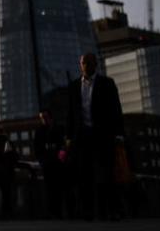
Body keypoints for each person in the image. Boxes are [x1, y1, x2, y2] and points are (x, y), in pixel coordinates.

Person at [66, 53, 123, 221]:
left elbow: (116, 109)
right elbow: (70, 113)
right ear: (80, 65)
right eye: (83, 62)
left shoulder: (107, 83)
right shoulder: (74, 86)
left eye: (89, 62)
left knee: (106, 175)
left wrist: (118, 134)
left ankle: (111, 211)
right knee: (84, 176)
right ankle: (87, 212)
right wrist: (69, 137)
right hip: (82, 138)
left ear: (95, 64)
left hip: (102, 136)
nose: (85, 65)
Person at [32, 109, 67, 219]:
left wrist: (61, 158)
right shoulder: (40, 131)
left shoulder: (57, 129)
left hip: (56, 163)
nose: (43, 119)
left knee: (58, 188)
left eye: (45, 117)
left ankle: (58, 211)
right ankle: (53, 212)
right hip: (48, 163)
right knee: (49, 188)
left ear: (50, 117)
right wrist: (42, 160)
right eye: (42, 117)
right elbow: (37, 149)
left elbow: (63, 144)